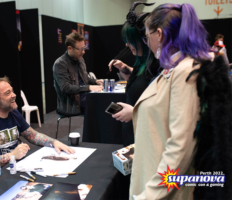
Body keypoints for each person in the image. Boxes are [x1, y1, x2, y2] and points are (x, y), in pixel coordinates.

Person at [130, 3, 232, 200]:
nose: (147, 42)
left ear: (159, 34)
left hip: (164, 188)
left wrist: (150, 195)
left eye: (147, 36)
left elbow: (181, 148)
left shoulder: (185, 71)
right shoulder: (179, 67)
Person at [0, 77, 75, 189]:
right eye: (8, 93)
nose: (14, 95)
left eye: (12, 91)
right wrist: (11, 156)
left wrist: (54, 142)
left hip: (8, 168)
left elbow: (33, 135)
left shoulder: (12, 112)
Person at [108, 2, 158, 146]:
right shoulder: (142, 61)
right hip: (133, 131)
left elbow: (161, 109)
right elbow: (139, 82)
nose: (126, 45)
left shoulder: (159, 66)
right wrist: (125, 69)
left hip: (146, 136)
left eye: (130, 41)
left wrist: (135, 113)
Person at [53, 32, 103, 115]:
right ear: (69, 48)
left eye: (84, 48)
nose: (83, 52)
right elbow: (66, 88)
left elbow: (85, 78)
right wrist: (89, 88)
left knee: (105, 98)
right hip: (72, 105)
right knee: (101, 103)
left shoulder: (80, 59)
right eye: (80, 49)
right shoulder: (60, 64)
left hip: (85, 97)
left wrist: (96, 81)